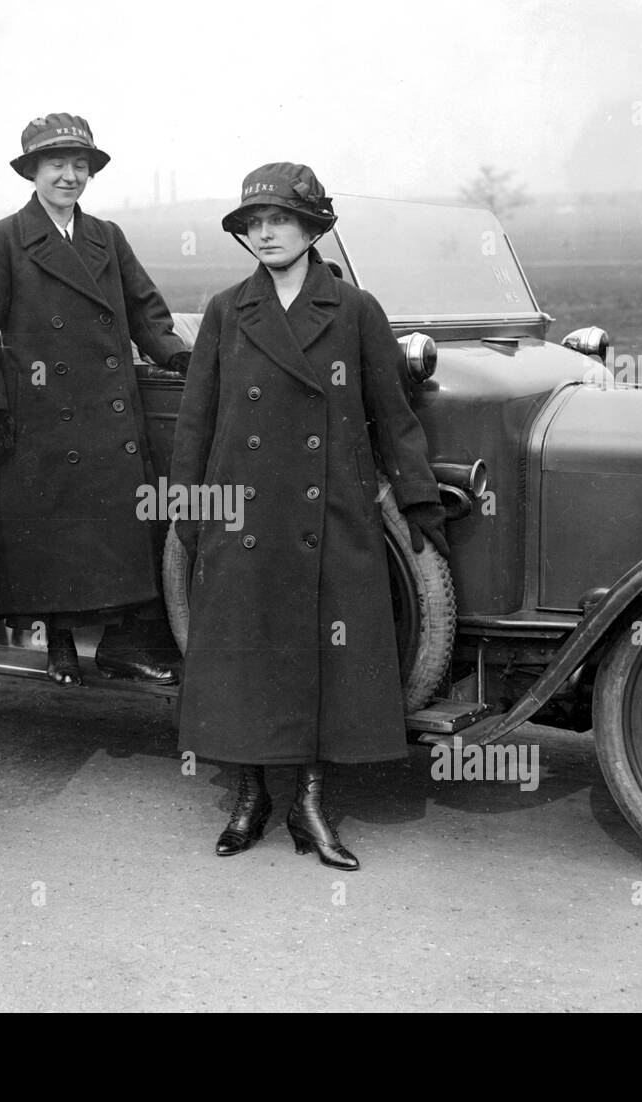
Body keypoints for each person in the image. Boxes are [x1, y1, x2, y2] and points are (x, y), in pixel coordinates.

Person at [169, 163, 449, 870]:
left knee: (328, 660)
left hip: (331, 513)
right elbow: (197, 419)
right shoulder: (227, 310)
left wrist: (418, 504)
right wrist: (188, 511)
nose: (266, 233)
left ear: (312, 228)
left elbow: (395, 417)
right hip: (243, 516)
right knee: (246, 659)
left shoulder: (355, 309)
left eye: (281, 221)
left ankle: (310, 805)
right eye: (254, 223)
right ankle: (250, 797)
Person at [0, 112, 191, 687]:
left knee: (121, 524)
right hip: (39, 416)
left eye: (79, 166)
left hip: (108, 412)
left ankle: (121, 643)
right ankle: (57, 639)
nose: (69, 176)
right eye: (57, 165)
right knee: (52, 534)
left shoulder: (106, 236)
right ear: (32, 172)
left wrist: (178, 357)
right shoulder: (1, 239)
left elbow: (146, 311)